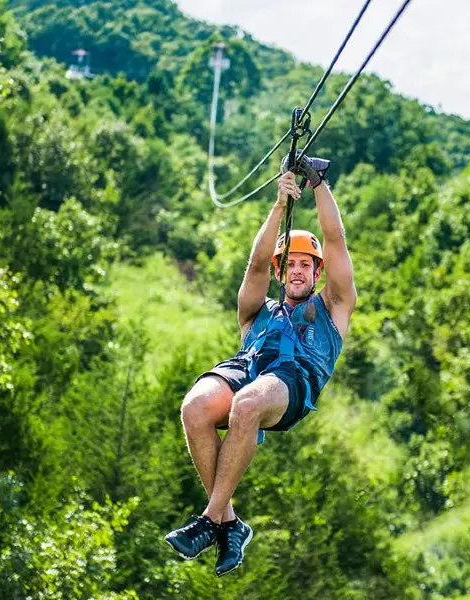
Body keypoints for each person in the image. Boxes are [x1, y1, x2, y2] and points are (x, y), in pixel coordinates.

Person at [164, 153, 357, 576]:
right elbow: (254, 265)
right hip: (247, 366)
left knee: (248, 405)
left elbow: (337, 239)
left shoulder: (332, 307)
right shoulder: (257, 311)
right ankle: (228, 521)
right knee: (195, 408)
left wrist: (317, 184)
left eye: (306, 265)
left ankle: (210, 520)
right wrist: (278, 204)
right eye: (290, 264)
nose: (298, 271)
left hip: (292, 381)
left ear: (318, 272)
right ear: (280, 271)